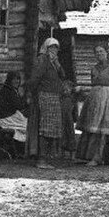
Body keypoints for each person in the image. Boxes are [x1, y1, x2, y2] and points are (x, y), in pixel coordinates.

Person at [75, 45, 109, 166]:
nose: (99, 54)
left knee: (105, 128)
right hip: (95, 100)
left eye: (101, 51)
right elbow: (93, 83)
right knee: (93, 127)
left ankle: (102, 157)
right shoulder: (94, 69)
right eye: (97, 52)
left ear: (106, 52)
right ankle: (90, 156)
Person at [26, 37, 66, 169]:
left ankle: (46, 157)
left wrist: (58, 65)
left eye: (56, 48)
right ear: (46, 48)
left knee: (52, 128)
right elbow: (35, 79)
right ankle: (41, 159)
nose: (54, 50)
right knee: (45, 128)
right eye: (51, 47)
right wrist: (32, 93)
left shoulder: (54, 62)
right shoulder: (42, 60)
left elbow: (63, 76)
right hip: (44, 97)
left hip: (54, 97)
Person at [0, 72, 29, 142]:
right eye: (14, 79)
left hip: (10, 116)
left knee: (27, 123)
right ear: (9, 80)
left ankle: (23, 144)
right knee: (27, 126)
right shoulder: (8, 91)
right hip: (5, 119)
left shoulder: (11, 90)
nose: (17, 81)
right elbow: (19, 106)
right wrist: (28, 102)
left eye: (18, 79)